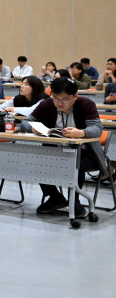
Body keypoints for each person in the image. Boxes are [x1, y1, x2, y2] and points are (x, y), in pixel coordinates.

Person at [19, 77, 103, 218]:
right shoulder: (46, 104)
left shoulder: (86, 104)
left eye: (65, 99)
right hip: (55, 152)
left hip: (86, 153)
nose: (59, 103)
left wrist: (81, 133)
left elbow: (97, 128)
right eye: (56, 98)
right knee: (37, 163)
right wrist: (33, 128)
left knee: (75, 164)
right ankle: (55, 197)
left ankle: (74, 200)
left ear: (75, 96)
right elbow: (25, 123)